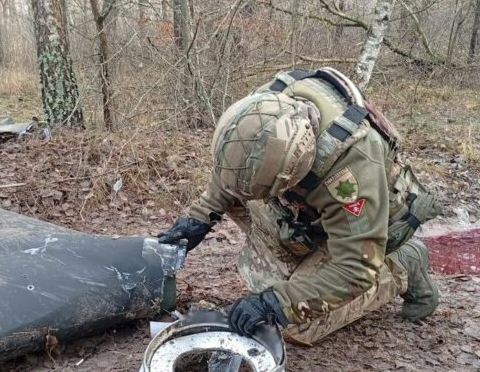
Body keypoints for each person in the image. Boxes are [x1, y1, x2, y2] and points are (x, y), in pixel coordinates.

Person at [158, 68, 442, 346]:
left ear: (293, 171)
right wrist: (201, 217)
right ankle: (297, 263)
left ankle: (402, 265)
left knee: (299, 325)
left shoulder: (349, 169)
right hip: (312, 212)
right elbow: (236, 165)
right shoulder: (267, 108)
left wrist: (277, 302)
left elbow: (355, 267)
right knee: (261, 273)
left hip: (362, 230)